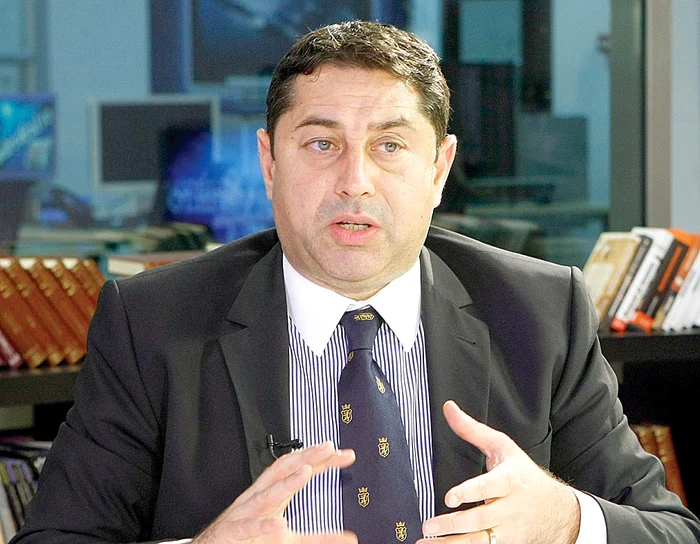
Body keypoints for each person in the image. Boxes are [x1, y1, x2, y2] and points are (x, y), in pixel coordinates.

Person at [11, 20, 700, 544]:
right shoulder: (153, 323)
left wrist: (564, 520)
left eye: (390, 145)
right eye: (322, 143)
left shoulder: (541, 312)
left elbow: (670, 532)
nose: (355, 181)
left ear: (439, 169)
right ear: (269, 163)